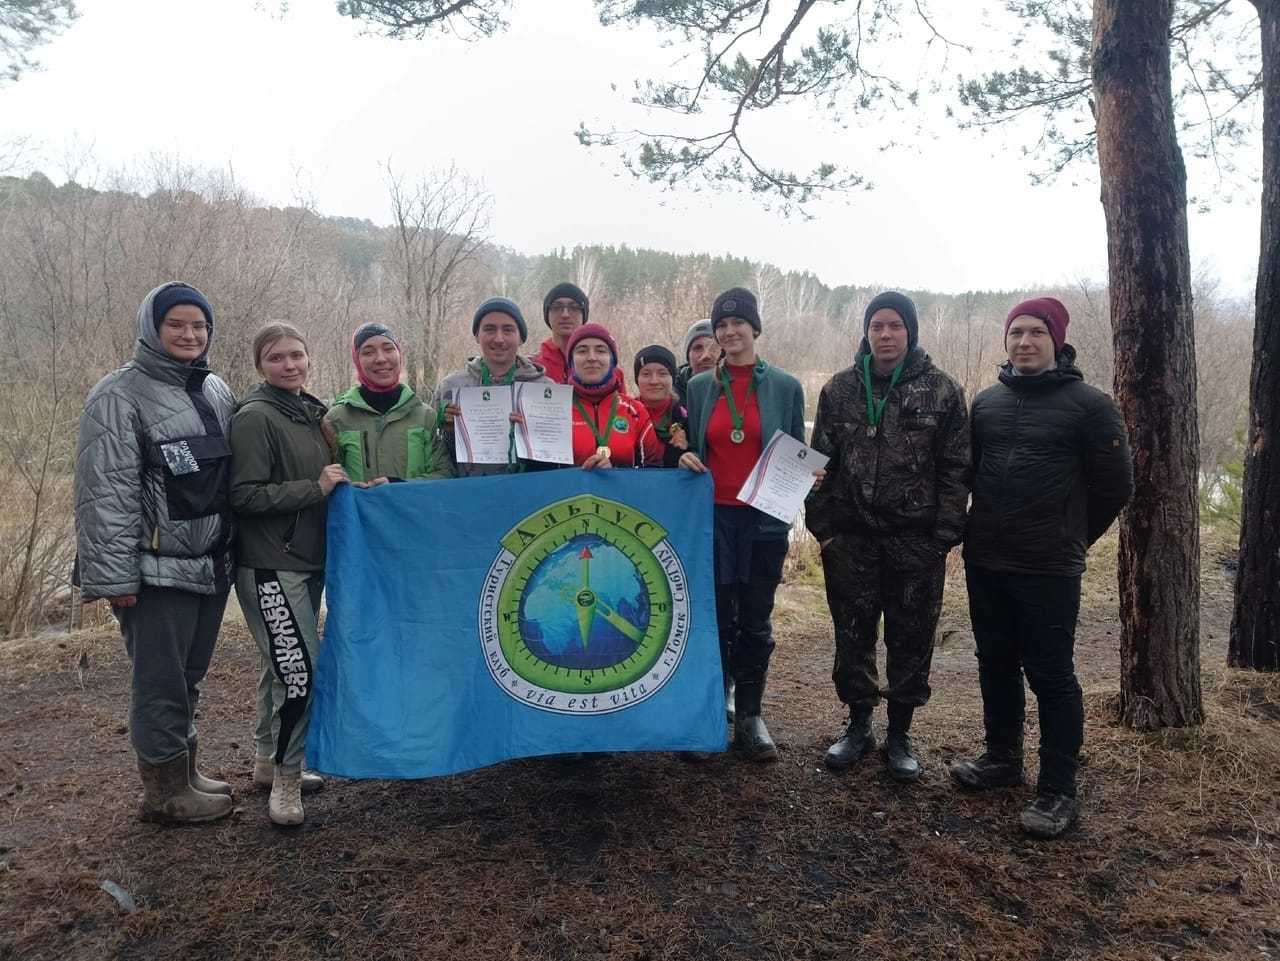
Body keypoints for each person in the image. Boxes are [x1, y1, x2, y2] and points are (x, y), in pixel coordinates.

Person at [950, 296, 1132, 839]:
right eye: (1016, 333)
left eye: (1036, 333)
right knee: (995, 663)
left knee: (1051, 676)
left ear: (1056, 341)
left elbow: (1115, 487)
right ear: (1006, 341)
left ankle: (1058, 790)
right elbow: (966, 476)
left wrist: (1071, 536)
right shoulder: (985, 404)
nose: (1025, 342)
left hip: (1049, 567)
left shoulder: (1091, 406)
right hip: (986, 559)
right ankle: (1002, 759)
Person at [74, 281, 235, 824]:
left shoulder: (215, 389)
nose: (190, 334)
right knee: (159, 681)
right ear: (152, 328)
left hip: (208, 564)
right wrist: (116, 578)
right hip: (153, 570)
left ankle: (184, 770)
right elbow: (105, 494)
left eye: (199, 325)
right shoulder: (117, 395)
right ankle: (164, 792)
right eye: (177, 325)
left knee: (188, 678)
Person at [805, 291, 971, 783]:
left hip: (915, 542)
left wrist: (942, 535)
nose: (885, 334)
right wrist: (824, 531)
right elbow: (819, 467)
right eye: (877, 326)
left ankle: (900, 732)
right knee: (852, 636)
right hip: (851, 541)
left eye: (895, 325)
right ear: (866, 332)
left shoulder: (941, 391)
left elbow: (957, 467)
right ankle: (859, 725)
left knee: (911, 637)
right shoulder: (839, 391)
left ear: (910, 331)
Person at [678, 288, 817, 760]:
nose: (729, 331)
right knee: (716, 618)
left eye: (738, 323)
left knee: (755, 619)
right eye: (721, 325)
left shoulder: (785, 386)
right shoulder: (699, 388)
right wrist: (685, 456)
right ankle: (713, 710)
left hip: (764, 520)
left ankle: (752, 717)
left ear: (754, 328)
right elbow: (692, 447)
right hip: (713, 519)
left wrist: (810, 474)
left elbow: (796, 450)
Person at [230, 322, 351, 826]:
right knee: (301, 671)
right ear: (261, 364)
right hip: (270, 564)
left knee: (280, 665)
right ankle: (286, 777)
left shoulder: (312, 412)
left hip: (307, 558)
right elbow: (243, 495)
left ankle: (265, 759)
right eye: (277, 358)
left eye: (297, 355)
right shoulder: (255, 418)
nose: (290, 365)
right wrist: (314, 488)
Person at [433, 297, 553, 477]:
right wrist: (446, 430)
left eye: (508, 330)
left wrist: (534, 435)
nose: (499, 339)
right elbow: (436, 456)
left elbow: (555, 461)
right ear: (476, 335)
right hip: (468, 494)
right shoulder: (450, 387)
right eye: (489, 329)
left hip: (528, 495)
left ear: (521, 338)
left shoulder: (544, 389)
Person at [323, 322, 451, 484]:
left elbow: (444, 474)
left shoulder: (425, 416)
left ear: (399, 354)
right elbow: (326, 479)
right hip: (359, 509)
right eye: (368, 352)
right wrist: (345, 488)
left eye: (388, 349)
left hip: (410, 508)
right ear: (357, 361)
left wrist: (397, 485)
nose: (381, 359)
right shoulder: (336, 418)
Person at [567, 323, 663, 469]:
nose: (592, 358)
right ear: (571, 361)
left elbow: (654, 470)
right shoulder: (556, 408)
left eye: (600, 350)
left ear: (612, 361)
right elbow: (540, 474)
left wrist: (616, 473)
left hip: (624, 492)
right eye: (582, 351)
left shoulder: (635, 411)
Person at [534, 282, 626, 390]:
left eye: (574, 308)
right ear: (547, 315)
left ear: (584, 315)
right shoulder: (533, 368)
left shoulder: (609, 371)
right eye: (557, 307)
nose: (565, 314)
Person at [633, 344, 689, 466]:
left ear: (672, 378)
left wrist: (685, 451)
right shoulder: (626, 414)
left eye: (662, 374)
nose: (654, 381)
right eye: (646, 374)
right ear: (637, 379)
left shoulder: (686, 417)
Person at [674, 318, 720, 406]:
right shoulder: (673, 395)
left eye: (713, 348)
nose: (706, 356)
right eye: (698, 348)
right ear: (688, 357)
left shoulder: (736, 387)